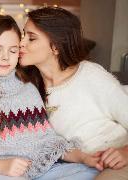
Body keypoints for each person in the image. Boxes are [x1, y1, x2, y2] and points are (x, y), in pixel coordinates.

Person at [0, 14, 100, 180]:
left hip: (37, 171)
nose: (6, 57)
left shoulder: (28, 91)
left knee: (86, 172)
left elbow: (47, 143)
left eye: (13, 50)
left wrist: (84, 157)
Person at [19, 6, 128, 180]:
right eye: (23, 35)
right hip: (78, 167)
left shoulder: (90, 75)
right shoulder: (28, 87)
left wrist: (125, 152)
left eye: (31, 38)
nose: (21, 43)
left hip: (117, 162)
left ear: (55, 47)